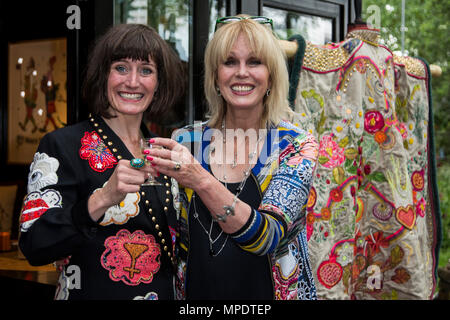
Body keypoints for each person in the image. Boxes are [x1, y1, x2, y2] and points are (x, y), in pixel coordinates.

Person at [145, 15, 319, 300]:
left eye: (254, 62)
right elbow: (163, 231)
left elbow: (267, 237)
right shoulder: (186, 141)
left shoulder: (295, 145)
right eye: (229, 62)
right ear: (215, 76)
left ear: (272, 75)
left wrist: (199, 179)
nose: (241, 72)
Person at [18, 24, 185, 300]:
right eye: (121, 68)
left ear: (159, 83)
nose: (132, 82)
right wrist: (102, 198)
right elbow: (33, 244)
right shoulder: (62, 145)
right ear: (102, 75)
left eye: (146, 70)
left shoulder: (164, 151)